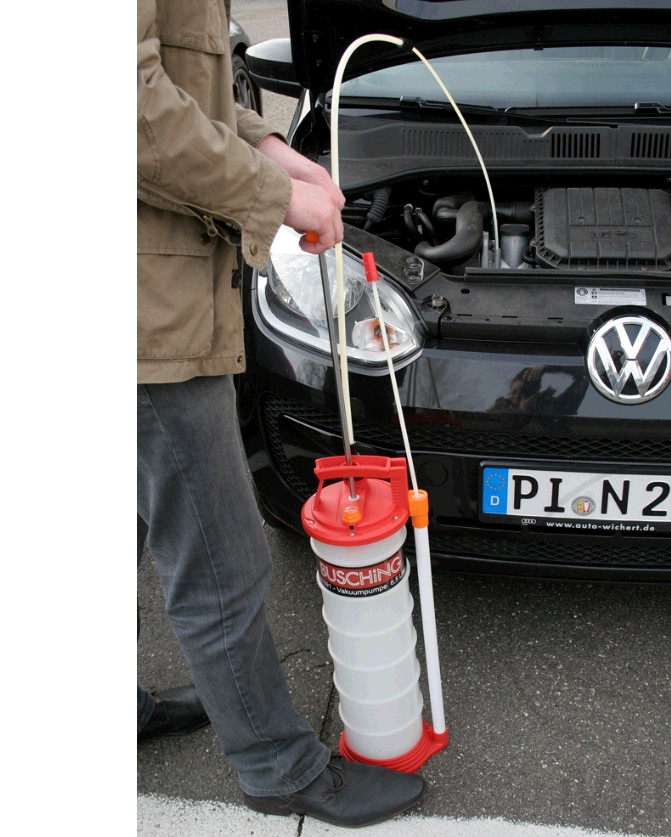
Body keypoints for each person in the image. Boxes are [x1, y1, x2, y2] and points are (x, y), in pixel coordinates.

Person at [137, 0, 424, 827]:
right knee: (219, 557)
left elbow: (185, 78)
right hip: (146, 314)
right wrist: (272, 194)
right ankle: (276, 764)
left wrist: (269, 146)